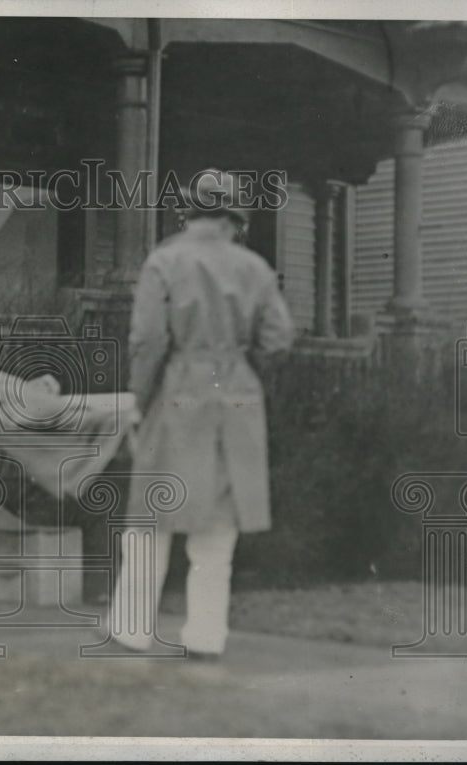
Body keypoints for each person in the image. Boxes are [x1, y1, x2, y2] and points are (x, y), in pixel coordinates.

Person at [111, 169, 294, 657]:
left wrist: (137, 399)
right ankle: (207, 635)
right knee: (217, 523)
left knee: (154, 511)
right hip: (234, 391)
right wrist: (238, 360)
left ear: (187, 211)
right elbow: (278, 338)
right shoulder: (254, 267)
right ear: (235, 217)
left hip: (180, 386)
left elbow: (148, 340)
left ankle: (132, 628)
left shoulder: (165, 261)